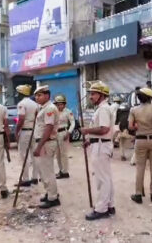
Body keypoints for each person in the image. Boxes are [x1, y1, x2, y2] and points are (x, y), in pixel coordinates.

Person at [81, 81, 115, 221]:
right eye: (90, 94)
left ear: (102, 95)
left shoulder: (103, 109)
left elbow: (104, 129)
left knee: (102, 179)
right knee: (106, 178)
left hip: (101, 146)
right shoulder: (102, 108)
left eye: (93, 94)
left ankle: (101, 209)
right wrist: (90, 139)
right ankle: (110, 205)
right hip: (100, 144)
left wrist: (87, 130)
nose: (91, 97)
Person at [128, 88, 152, 204]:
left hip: (140, 140)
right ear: (150, 98)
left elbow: (130, 127)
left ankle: (138, 194)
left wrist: (136, 127)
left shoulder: (133, 110)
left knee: (140, 168)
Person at [33, 85, 60, 209]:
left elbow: (48, 128)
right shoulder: (43, 108)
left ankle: (53, 198)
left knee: (47, 171)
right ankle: (50, 192)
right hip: (44, 142)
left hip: (46, 142)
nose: (37, 98)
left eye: (39, 95)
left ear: (47, 95)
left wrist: (39, 146)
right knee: (43, 171)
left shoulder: (49, 108)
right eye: (36, 95)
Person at [15, 84, 39, 187]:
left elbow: (21, 119)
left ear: (21, 93)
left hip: (25, 131)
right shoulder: (35, 104)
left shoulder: (21, 104)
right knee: (35, 156)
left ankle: (26, 179)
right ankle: (35, 177)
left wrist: (16, 131)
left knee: (24, 155)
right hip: (34, 131)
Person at [54, 94, 75, 179]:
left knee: (64, 153)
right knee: (58, 154)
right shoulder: (54, 112)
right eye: (58, 104)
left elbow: (73, 123)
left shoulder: (68, 111)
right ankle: (60, 170)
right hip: (56, 133)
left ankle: (65, 171)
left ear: (64, 104)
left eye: (61, 104)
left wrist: (69, 132)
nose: (59, 106)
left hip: (64, 132)